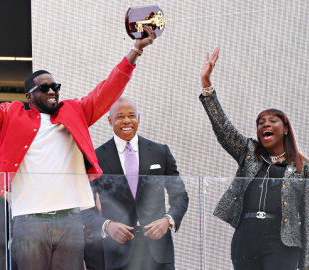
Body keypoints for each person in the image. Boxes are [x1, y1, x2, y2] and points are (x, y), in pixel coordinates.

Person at [0, 25, 157, 270]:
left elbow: (108, 89)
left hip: (70, 219)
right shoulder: (11, 114)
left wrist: (135, 50)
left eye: (55, 87)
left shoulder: (75, 110)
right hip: (29, 220)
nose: (52, 91)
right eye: (44, 88)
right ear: (29, 96)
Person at [199, 47, 309, 270]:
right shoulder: (249, 153)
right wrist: (206, 83)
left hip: (282, 243)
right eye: (261, 122)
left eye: (272, 121)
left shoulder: (302, 168)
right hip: (245, 239)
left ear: (286, 128)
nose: (265, 125)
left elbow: (307, 218)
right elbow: (223, 128)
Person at [82, 97, 189, 270]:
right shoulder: (96, 158)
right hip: (117, 252)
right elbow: (85, 207)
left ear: (138, 118)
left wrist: (167, 221)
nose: (126, 121)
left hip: (159, 251)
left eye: (131, 115)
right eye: (120, 116)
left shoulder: (161, 152)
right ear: (110, 120)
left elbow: (180, 196)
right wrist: (107, 226)